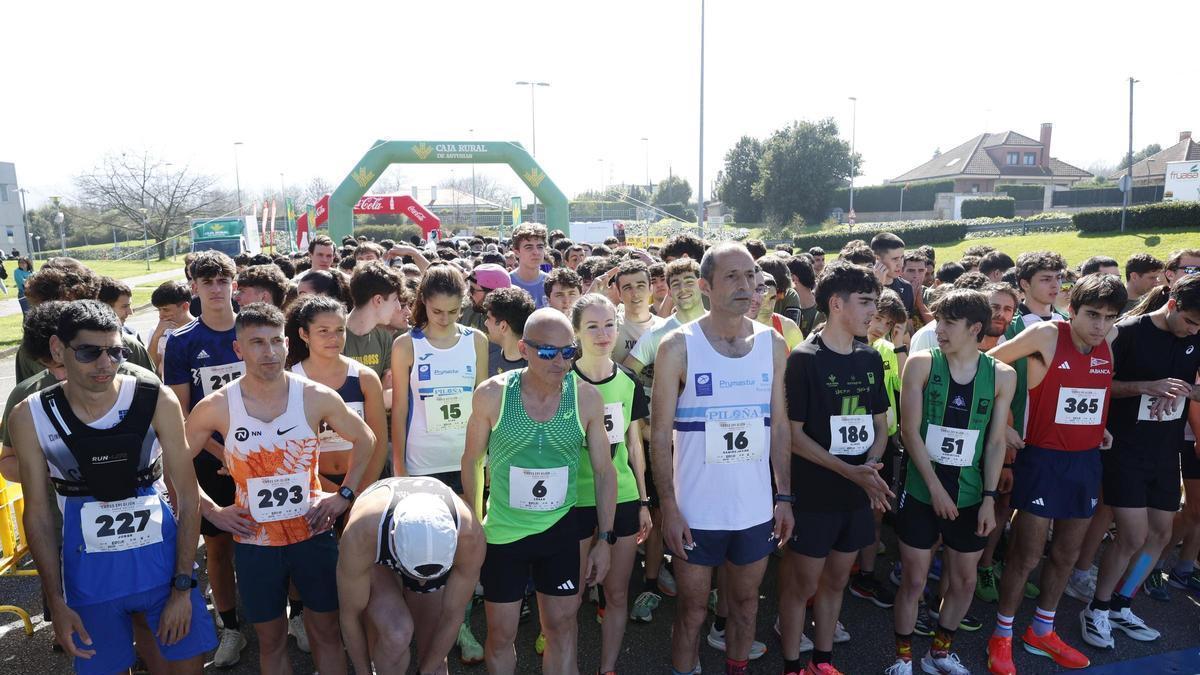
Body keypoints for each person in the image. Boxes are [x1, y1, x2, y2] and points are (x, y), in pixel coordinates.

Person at [12, 300, 217, 674]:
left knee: (187, 668)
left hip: (161, 568)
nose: (105, 364)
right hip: (90, 577)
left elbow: (188, 496)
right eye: (89, 352)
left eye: (116, 351)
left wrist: (184, 586)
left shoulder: (155, 398)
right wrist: (56, 603)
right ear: (58, 349)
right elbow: (38, 514)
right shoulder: (30, 415)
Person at [184, 302, 376, 675]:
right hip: (256, 544)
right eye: (256, 343)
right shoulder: (217, 405)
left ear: (288, 344)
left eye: (275, 341)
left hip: (312, 534)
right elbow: (174, 467)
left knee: (326, 634)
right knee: (271, 642)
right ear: (238, 350)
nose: (268, 352)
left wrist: (344, 496)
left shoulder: (314, 396)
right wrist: (211, 510)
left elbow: (365, 438)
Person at [652, 242, 793, 675]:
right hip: (696, 512)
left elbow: (781, 426)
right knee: (692, 612)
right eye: (732, 276)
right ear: (705, 287)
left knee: (747, 606)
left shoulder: (772, 343)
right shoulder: (677, 346)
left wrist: (784, 496)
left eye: (751, 275)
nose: (746, 285)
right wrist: (669, 508)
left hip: (752, 510)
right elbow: (658, 435)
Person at [460, 308, 617, 675]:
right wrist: (474, 522)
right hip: (503, 534)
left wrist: (605, 539)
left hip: (559, 531)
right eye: (547, 352)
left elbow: (603, 471)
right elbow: (472, 460)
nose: (560, 361)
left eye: (568, 352)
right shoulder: (493, 395)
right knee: (501, 634)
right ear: (523, 349)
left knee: (561, 628)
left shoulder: (586, 398)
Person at [984, 274, 1126, 674]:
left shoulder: (1107, 344)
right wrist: (1003, 423)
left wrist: (1099, 426)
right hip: (1042, 459)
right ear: (1073, 309)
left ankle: (1042, 630)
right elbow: (987, 365)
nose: (1100, 326)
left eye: (1109, 318)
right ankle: (1003, 634)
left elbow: (1091, 393)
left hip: (1084, 461)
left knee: (1066, 554)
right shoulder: (1047, 335)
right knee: (1026, 554)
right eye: (1093, 315)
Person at [888, 290, 1016, 675]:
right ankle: (903, 659)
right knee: (913, 579)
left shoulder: (1002, 375)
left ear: (974, 328)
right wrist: (937, 489)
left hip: (972, 494)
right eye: (938, 320)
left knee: (964, 581)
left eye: (948, 323)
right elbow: (909, 433)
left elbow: (995, 442)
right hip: (923, 489)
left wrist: (990, 499)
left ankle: (939, 653)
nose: (938, 329)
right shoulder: (922, 363)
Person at [779, 260, 893, 675]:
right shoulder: (804, 359)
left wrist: (872, 465)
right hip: (816, 493)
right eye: (865, 303)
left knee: (836, 582)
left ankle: (822, 662)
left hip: (857, 491)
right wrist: (851, 472)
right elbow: (793, 436)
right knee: (801, 586)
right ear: (836, 303)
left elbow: (879, 425)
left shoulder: (868, 358)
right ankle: (793, 664)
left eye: (875, 303)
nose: (872, 312)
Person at [1080, 274, 1200, 648]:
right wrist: (1145, 387)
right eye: (1191, 322)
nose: (1194, 331)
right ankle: (1096, 610)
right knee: (1132, 534)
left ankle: (1121, 604)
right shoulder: (1128, 331)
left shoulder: (1197, 335)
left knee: (1161, 534)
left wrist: (1187, 390)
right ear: (1172, 304)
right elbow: (1096, 383)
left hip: (1165, 450)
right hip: (1124, 447)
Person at [161, 250, 250, 666]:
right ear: (193, 287)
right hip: (212, 459)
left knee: (281, 531)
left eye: (223, 280)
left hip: (266, 452)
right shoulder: (181, 343)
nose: (216, 289)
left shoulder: (256, 327)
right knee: (218, 546)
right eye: (207, 282)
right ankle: (232, 627)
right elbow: (181, 414)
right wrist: (222, 449)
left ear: (235, 283)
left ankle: (296, 615)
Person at [569, 294, 653, 674]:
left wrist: (644, 501)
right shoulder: (563, 381)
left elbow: (635, 444)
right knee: (570, 597)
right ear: (576, 332)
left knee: (617, 593)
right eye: (592, 326)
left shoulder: (629, 380)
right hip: (572, 500)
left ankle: (608, 668)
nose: (603, 334)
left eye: (609, 325)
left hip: (622, 497)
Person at [623, 257, 707, 622]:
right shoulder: (659, 334)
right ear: (668, 291)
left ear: (702, 283)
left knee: (708, 512)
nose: (684, 289)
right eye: (676, 285)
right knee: (660, 513)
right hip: (668, 442)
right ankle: (651, 584)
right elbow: (626, 373)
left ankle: (714, 590)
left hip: (710, 443)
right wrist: (643, 416)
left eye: (690, 280)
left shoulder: (720, 329)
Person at [336, 476, 486, 674]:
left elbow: (453, 615)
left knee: (436, 665)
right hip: (378, 557)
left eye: (431, 575)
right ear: (393, 539)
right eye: (416, 573)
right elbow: (350, 616)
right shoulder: (363, 534)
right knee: (396, 633)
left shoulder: (470, 536)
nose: (422, 581)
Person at [391, 265, 489, 490]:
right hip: (422, 462)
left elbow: (484, 405)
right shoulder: (405, 345)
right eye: (437, 311)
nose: (445, 319)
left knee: (469, 525)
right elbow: (399, 410)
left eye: (453, 311)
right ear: (423, 301)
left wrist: (488, 459)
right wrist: (399, 465)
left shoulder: (477, 340)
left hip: (469, 457)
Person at [285, 295, 388, 494]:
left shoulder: (364, 377)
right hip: (313, 487)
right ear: (304, 334)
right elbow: (290, 451)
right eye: (323, 331)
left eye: (340, 330)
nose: (334, 338)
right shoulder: (291, 381)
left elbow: (379, 441)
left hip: (363, 485)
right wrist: (335, 495)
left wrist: (356, 493)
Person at [344, 262, 404, 384]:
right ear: (378, 300)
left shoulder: (385, 338)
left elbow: (389, 388)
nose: (398, 307)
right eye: (395, 299)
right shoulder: (333, 334)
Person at [613, 260, 665, 364]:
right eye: (627, 288)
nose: (635, 294)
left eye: (640, 286)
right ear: (619, 293)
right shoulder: (610, 326)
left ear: (650, 289)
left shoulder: (665, 327)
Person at [484, 286, 535, 377]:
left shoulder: (535, 368)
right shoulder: (486, 354)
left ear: (503, 326)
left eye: (488, 318)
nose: (485, 323)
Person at [147, 281, 193, 375]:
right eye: (159, 309)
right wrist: (156, 337)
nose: (161, 315)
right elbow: (150, 368)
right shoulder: (157, 331)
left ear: (185, 307)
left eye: (166, 310)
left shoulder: (202, 329)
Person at [752, 271, 805, 351]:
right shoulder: (733, 328)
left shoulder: (789, 327)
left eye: (772, 298)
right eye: (763, 298)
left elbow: (802, 362)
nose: (768, 306)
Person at [508, 224, 551, 308]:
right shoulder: (506, 283)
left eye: (540, 247)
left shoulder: (552, 284)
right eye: (529, 247)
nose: (536, 252)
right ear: (516, 252)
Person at [461, 263, 512, 331]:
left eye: (472, 289)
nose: (468, 293)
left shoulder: (512, 327)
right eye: (469, 287)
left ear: (492, 293)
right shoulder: (466, 309)